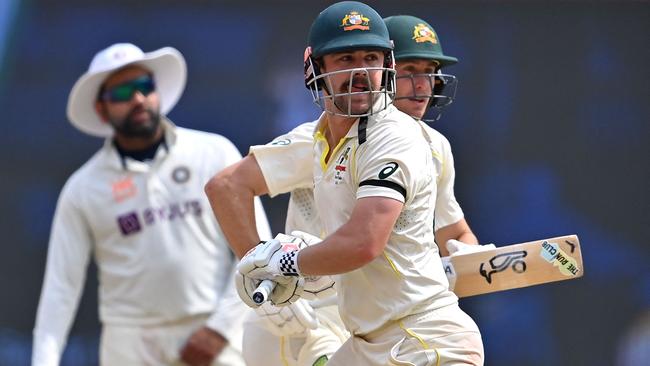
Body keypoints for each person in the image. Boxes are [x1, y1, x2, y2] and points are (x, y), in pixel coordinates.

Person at [208, 2, 484, 365]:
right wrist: (265, 266)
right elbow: (226, 186)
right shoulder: (322, 139)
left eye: (370, 58)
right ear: (314, 69)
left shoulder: (397, 137)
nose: (360, 71)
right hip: (363, 338)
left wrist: (282, 264)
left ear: (384, 66)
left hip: (422, 340)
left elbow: (363, 242)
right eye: (344, 59)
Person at [32, 43, 271, 366]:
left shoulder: (213, 153)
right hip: (128, 344)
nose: (138, 98)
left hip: (214, 331)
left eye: (145, 86)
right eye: (122, 92)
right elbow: (61, 289)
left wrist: (219, 328)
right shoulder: (82, 188)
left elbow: (257, 252)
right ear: (101, 109)